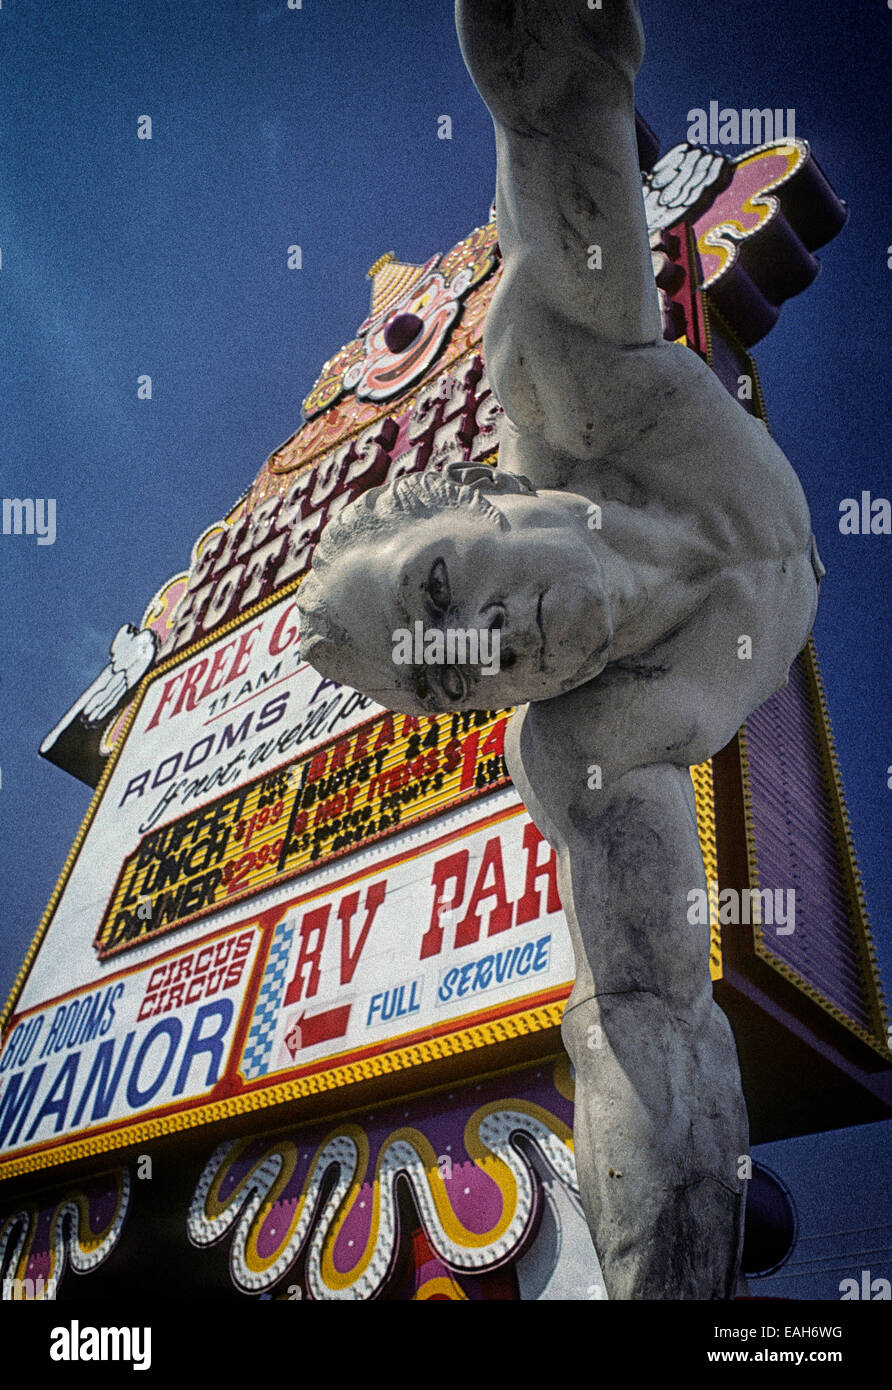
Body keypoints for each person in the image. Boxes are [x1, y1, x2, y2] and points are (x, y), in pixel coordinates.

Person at [297, 0, 823, 1299]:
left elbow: (555, 127)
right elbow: (647, 1023)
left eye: (441, 585)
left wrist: (547, 67)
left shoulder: (563, 383)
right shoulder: (583, 744)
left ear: (488, 493)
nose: (483, 644)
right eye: (441, 670)